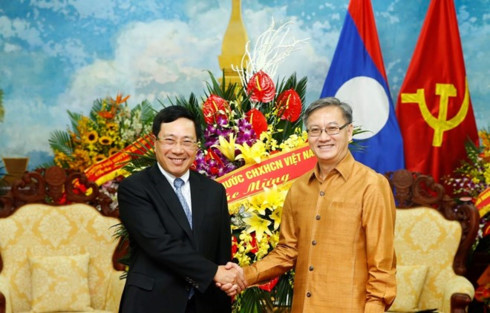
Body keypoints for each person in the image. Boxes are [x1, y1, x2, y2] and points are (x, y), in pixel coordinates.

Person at [224, 97, 397, 312]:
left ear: (349, 132)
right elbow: (287, 251)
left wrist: (375, 307)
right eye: (315, 130)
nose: (323, 137)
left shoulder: (372, 185)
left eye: (332, 128)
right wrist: (244, 274)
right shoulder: (298, 189)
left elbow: (382, 263)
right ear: (308, 137)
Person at [118, 105, 245, 313]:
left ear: (197, 146)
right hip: (151, 303)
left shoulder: (214, 191)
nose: (178, 150)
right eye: (169, 140)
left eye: (187, 141)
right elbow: (159, 244)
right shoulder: (134, 188)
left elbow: (222, 252)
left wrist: (228, 279)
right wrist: (214, 272)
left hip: (206, 304)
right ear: (154, 144)